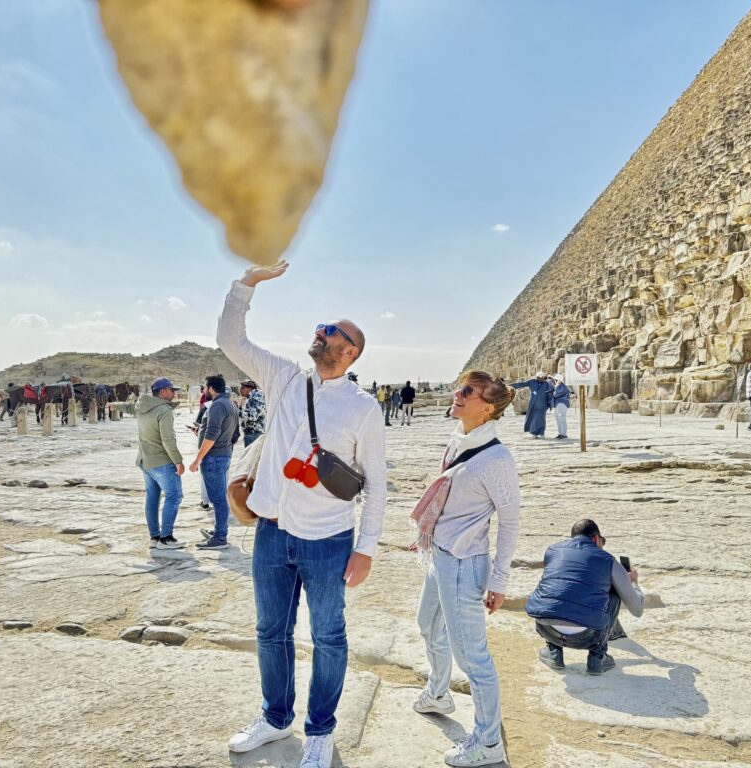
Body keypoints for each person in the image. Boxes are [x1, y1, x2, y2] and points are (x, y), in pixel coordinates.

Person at [216, 259, 387, 768]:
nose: (320, 334)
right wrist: (247, 284)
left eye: (330, 332)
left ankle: (321, 731)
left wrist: (366, 549)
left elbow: (376, 486)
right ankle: (274, 718)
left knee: (329, 637)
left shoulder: (363, 407)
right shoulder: (286, 379)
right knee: (270, 632)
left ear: (349, 350)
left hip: (328, 539)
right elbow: (230, 340)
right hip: (271, 531)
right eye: (319, 329)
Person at [411, 371, 518, 768]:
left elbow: (510, 520)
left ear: (487, 407)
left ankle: (489, 744)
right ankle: (439, 692)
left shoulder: (496, 458)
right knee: (427, 624)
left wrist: (500, 578)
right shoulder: (458, 440)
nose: (457, 394)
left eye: (466, 391)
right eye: (459, 387)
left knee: (473, 658)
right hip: (440, 555)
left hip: (464, 564)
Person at [526, 519, 644, 675]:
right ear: (596, 539)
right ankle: (597, 658)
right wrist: (633, 582)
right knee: (614, 594)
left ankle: (554, 652)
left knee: (557, 591)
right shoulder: (608, 560)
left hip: (545, 627)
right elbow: (637, 610)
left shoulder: (552, 551)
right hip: (587, 636)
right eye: (602, 542)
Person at [121, 377, 185, 549]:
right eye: (172, 390)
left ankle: (154, 537)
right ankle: (166, 538)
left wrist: (113, 405)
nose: (174, 393)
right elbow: (168, 440)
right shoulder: (164, 411)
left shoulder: (141, 405)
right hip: (162, 462)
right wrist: (178, 461)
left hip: (145, 461)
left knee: (152, 498)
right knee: (174, 495)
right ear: (163, 391)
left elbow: (127, 407)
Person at [189, 374, 239, 550]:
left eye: (204, 387)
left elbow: (212, 435)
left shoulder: (217, 405)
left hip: (214, 458)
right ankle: (220, 530)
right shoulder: (230, 404)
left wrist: (197, 459)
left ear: (211, 388)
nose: (203, 390)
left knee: (218, 499)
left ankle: (220, 538)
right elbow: (231, 433)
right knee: (220, 497)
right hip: (222, 455)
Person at [512, 371, 553, 438]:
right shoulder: (532, 382)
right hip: (533, 404)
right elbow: (522, 384)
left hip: (543, 404)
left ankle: (541, 433)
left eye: (543, 377)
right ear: (537, 377)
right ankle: (534, 433)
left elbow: (549, 393)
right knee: (533, 419)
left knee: (541, 419)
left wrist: (550, 403)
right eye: (541, 377)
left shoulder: (546, 384)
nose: (542, 379)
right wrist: (512, 386)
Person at [239, 379, 266, 447]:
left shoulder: (256, 397)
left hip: (254, 434)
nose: (240, 390)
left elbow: (252, 416)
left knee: (253, 457)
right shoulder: (252, 397)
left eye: (243, 388)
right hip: (252, 433)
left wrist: (239, 411)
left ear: (249, 388)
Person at [551, 374, 571, 439]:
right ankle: (560, 433)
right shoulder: (559, 386)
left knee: (562, 419)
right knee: (558, 420)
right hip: (558, 404)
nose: (555, 381)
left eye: (555, 380)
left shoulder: (562, 386)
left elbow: (556, 394)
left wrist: (556, 388)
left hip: (561, 404)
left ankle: (564, 434)